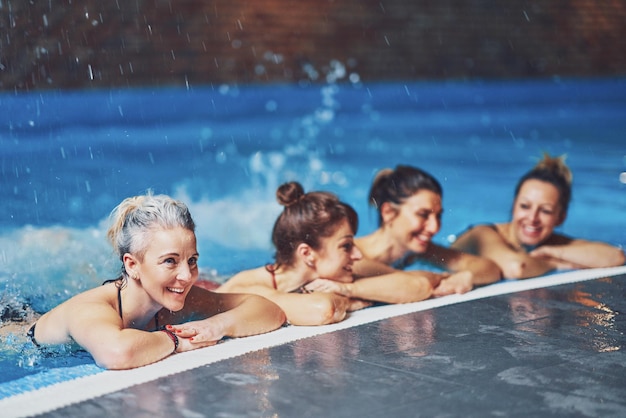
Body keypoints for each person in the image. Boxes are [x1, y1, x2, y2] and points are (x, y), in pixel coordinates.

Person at [27, 193, 286, 370]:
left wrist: (214, 326)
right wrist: (176, 341)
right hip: (16, 333)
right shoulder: (93, 310)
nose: (186, 276)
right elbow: (117, 353)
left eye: (192, 260)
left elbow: (267, 310)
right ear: (132, 265)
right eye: (170, 261)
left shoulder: (177, 300)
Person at [217, 182, 436, 326]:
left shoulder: (336, 278)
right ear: (308, 254)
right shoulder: (252, 288)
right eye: (346, 246)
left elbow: (418, 285)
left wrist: (349, 289)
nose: (358, 255)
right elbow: (324, 310)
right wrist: (350, 299)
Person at [452, 153, 625, 279]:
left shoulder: (551, 244)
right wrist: (553, 262)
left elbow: (616, 257)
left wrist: (554, 251)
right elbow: (515, 268)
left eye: (545, 211)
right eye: (525, 206)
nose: (532, 218)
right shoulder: (482, 234)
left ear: (560, 218)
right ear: (513, 207)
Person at [349, 165, 502, 296]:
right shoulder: (349, 255)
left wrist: (466, 276)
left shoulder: (417, 252)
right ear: (388, 212)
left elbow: (490, 268)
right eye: (423, 215)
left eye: (438, 216)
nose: (434, 227)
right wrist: (424, 278)